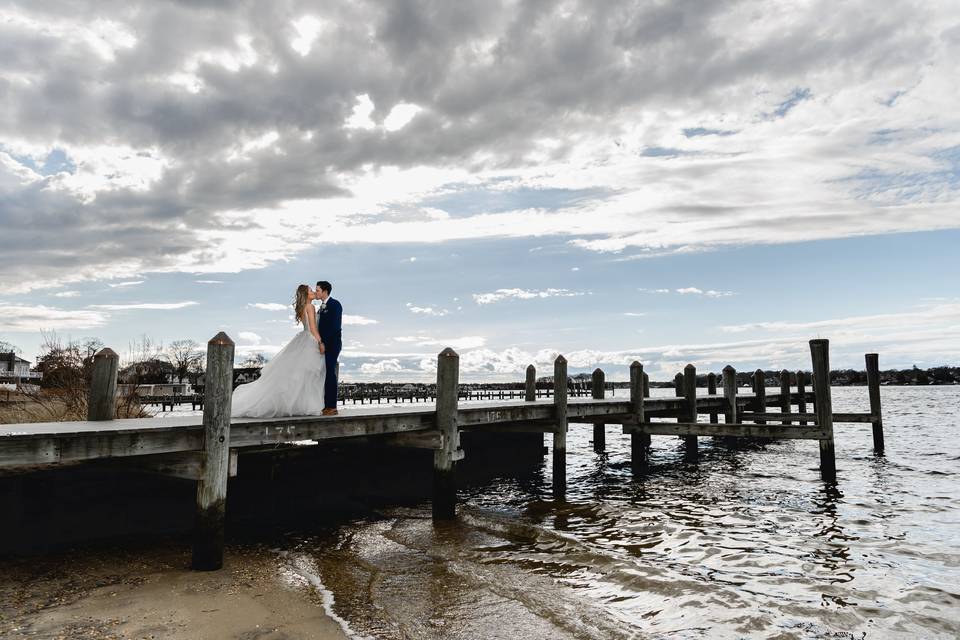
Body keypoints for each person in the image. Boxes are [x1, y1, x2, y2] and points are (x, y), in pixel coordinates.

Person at [231, 284, 326, 418]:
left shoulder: (302, 308)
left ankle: (303, 406)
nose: (313, 292)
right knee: (309, 376)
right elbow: (313, 329)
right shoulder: (310, 307)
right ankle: (307, 406)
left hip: (303, 340)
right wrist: (321, 343)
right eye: (311, 291)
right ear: (306, 294)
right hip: (310, 341)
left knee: (300, 375)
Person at [315, 280, 342, 416]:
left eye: (318, 290)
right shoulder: (321, 307)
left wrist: (323, 343)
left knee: (330, 372)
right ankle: (325, 405)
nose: (316, 292)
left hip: (332, 344)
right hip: (323, 344)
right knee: (324, 373)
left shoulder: (335, 304)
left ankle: (332, 406)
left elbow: (334, 327)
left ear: (325, 291)